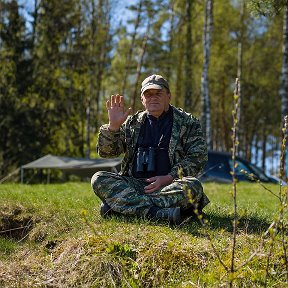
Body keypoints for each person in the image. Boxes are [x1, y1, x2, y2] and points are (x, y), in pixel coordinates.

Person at [91, 74, 209, 225]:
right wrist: (113, 127)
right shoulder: (131, 124)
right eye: (148, 94)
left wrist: (169, 177)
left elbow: (198, 157)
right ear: (142, 100)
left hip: (168, 186)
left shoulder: (188, 122)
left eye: (158, 93)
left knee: (193, 186)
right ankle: (158, 213)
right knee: (98, 178)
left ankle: (119, 208)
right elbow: (108, 153)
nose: (153, 98)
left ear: (168, 96)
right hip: (134, 185)